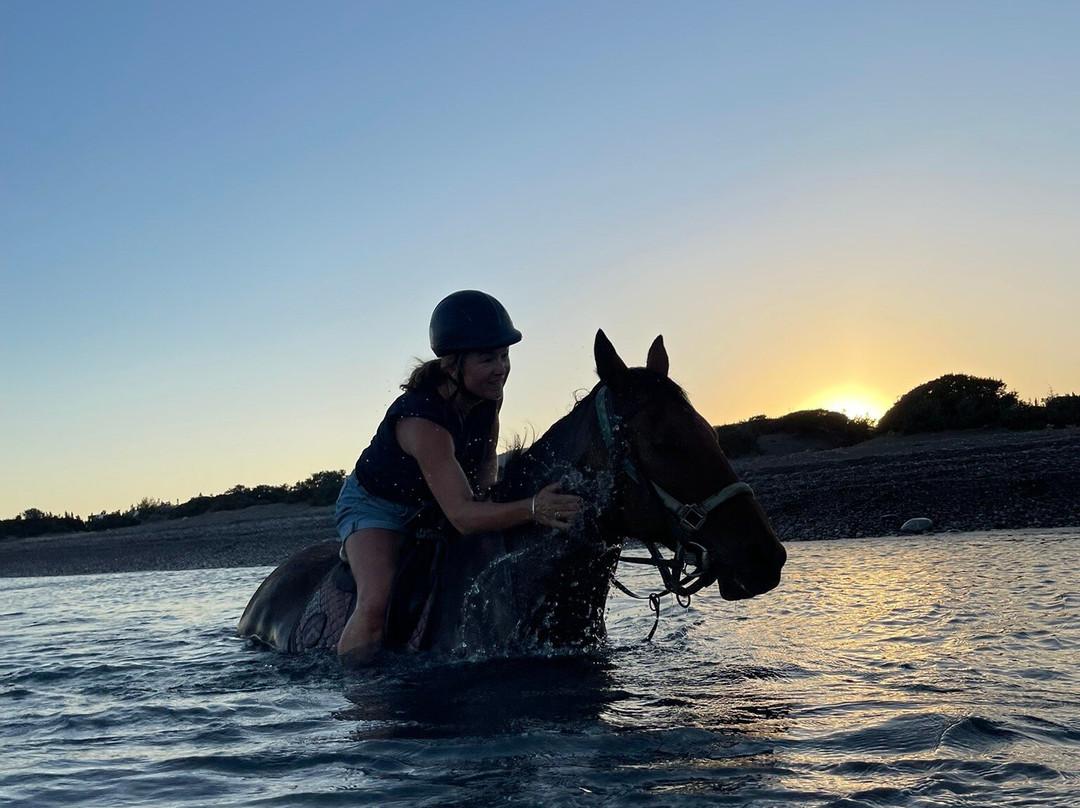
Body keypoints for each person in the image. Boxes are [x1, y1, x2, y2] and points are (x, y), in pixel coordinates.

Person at [335, 290, 583, 663]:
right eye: (488, 359)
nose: (501, 368)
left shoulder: (488, 394)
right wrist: (533, 507)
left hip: (436, 502)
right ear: (453, 366)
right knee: (376, 602)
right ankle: (359, 690)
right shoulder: (422, 421)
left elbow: (485, 455)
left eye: (505, 355)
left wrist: (487, 495)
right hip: (378, 507)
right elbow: (463, 517)